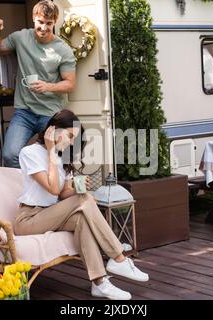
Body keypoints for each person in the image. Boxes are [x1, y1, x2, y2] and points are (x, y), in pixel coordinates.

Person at [14, 109, 149, 300]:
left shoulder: (60, 157)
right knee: (84, 201)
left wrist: (78, 189)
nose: (71, 142)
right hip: (28, 219)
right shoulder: (29, 153)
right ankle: (118, 257)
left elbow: (61, 194)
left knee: (82, 218)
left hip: (50, 213)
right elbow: (52, 188)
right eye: (69, 136)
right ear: (52, 130)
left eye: (73, 139)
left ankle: (99, 283)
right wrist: (51, 149)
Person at [0, 1, 76, 168]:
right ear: (33, 18)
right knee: (10, 156)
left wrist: (48, 86)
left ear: (55, 22)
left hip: (51, 114)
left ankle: (55, 191)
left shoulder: (63, 50)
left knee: (61, 156)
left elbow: (70, 84)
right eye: (40, 22)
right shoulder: (21, 37)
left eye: (49, 23)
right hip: (24, 112)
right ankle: (25, 191)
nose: (44, 27)